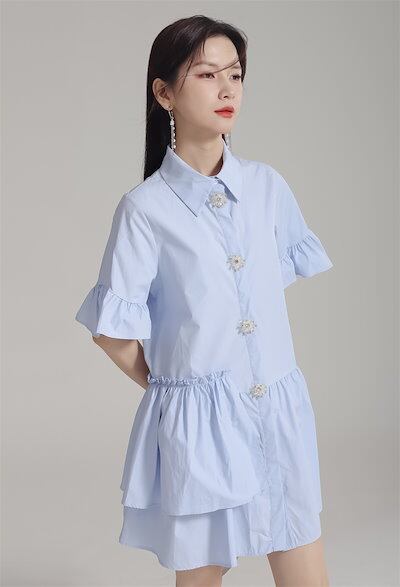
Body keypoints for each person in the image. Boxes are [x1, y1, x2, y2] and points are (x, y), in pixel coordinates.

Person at [75, 14, 332, 587]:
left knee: (303, 560)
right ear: (164, 93)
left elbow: (256, 302)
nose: (226, 89)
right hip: (202, 428)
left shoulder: (266, 188)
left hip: (278, 415)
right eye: (207, 74)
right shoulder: (145, 210)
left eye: (235, 75)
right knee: (200, 576)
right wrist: (177, 389)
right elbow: (112, 330)